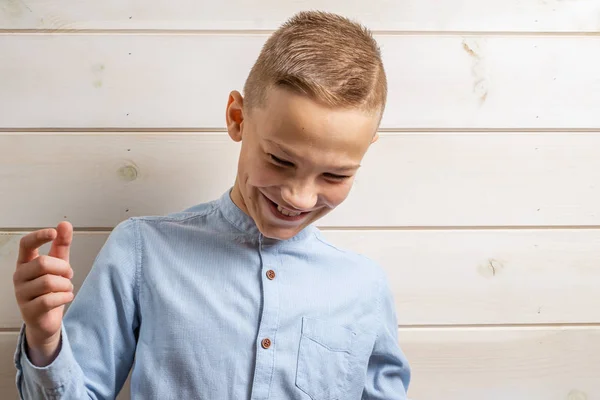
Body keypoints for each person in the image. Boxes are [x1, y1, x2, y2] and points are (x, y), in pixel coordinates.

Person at [13, 11, 411, 399]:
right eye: (280, 160)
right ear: (238, 118)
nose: (299, 197)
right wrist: (46, 343)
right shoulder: (141, 251)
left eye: (335, 175)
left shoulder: (365, 289)